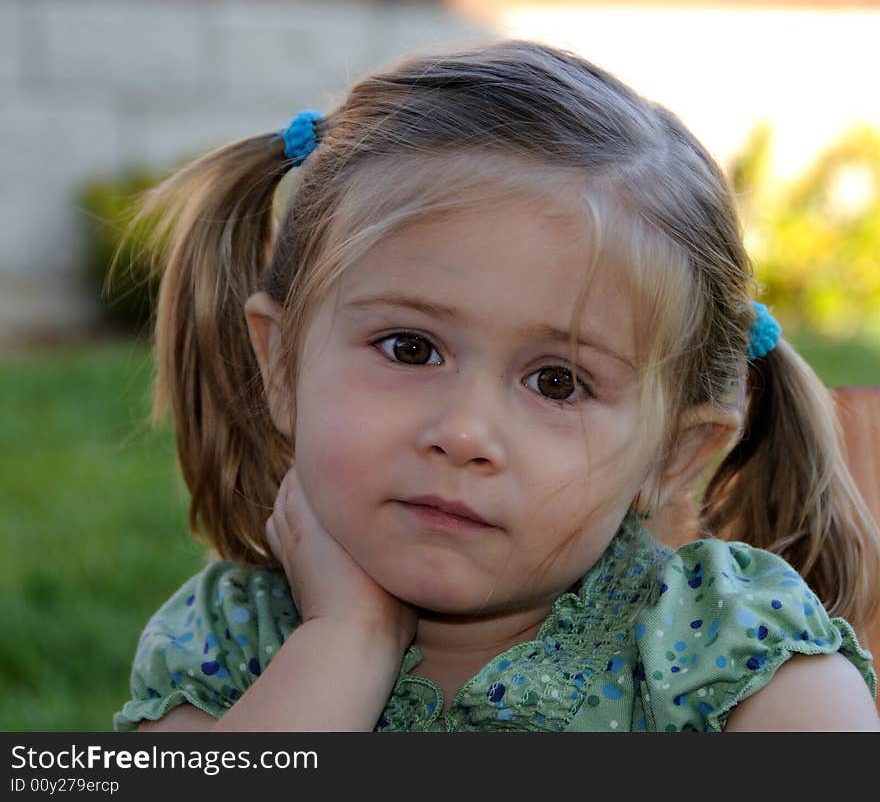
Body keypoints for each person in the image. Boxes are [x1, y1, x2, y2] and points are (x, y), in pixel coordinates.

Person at [114, 40, 880, 733]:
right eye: (410, 348)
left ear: (672, 454)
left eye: (558, 381)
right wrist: (344, 640)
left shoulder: (730, 654)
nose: (465, 431)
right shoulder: (225, 640)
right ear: (280, 363)